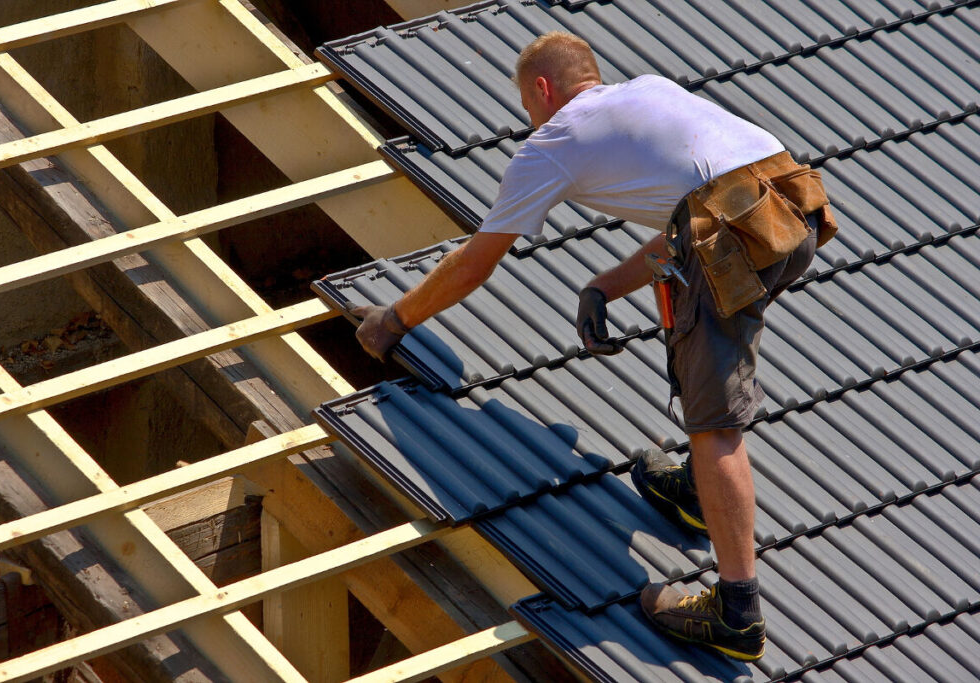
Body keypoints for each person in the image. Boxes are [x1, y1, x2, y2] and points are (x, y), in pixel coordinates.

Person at [352, 31, 835, 662]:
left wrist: (394, 319)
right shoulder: (650, 91)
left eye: (527, 104)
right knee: (695, 306)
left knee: (715, 419)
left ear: (543, 90)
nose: (529, 117)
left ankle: (737, 611)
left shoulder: (553, 140)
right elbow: (692, 217)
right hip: (791, 201)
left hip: (728, 230)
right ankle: (694, 493)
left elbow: (476, 261)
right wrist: (605, 285)